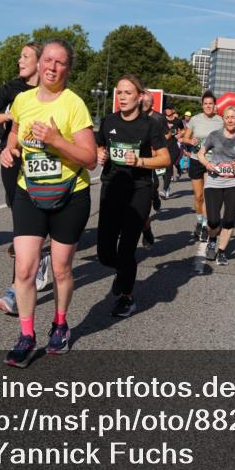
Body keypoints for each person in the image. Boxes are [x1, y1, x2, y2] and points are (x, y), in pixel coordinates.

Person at [0, 40, 97, 367]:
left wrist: (55, 140)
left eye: (60, 63)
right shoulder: (23, 99)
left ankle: (60, 323)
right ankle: (26, 335)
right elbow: (15, 131)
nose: (52, 67)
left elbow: (90, 158)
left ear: (68, 69)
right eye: (48, 60)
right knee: (24, 267)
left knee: (60, 268)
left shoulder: (74, 105)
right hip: (29, 191)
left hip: (70, 195)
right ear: (39, 63)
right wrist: (10, 148)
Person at [0, 42, 52, 314]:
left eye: (25, 56)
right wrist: (9, 114)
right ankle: (39, 257)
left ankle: (14, 288)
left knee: (24, 226)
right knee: (18, 214)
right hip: (10, 157)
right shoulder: (11, 89)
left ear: (40, 61)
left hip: (40, 161)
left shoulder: (50, 92)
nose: (19, 61)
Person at [95, 75, 170, 318]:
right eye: (119, 93)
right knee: (105, 252)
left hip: (138, 189)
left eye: (128, 93)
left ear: (139, 97)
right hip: (112, 187)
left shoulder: (150, 125)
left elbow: (165, 159)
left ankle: (127, 297)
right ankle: (124, 271)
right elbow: (99, 146)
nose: (123, 97)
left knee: (127, 249)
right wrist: (100, 154)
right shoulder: (108, 121)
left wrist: (140, 161)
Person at [197, 105, 235, 266]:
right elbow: (200, 154)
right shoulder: (214, 136)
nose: (230, 120)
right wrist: (208, 164)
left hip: (233, 182)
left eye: (233, 117)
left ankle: (221, 251)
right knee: (214, 221)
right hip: (214, 181)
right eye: (227, 117)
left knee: (229, 220)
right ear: (223, 119)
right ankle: (212, 238)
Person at [181, 92, 224, 241]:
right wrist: (190, 140)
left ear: (214, 106)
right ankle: (199, 221)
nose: (208, 106)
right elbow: (184, 137)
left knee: (207, 195)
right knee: (198, 196)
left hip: (212, 161)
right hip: (195, 159)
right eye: (205, 103)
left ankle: (206, 225)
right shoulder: (194, 119)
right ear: (202, 105)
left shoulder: (220, 121)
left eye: (210, 104)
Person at [139, 89, 167, 248]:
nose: (144, 103)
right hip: (130, 165)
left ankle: (146, 228)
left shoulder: (158, 118)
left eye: (147, 100)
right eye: (142, 99)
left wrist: (155, 151)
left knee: (144, 207)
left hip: (150, 163)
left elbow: (165, 138)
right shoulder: (131, 116)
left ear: (152, 103)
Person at [161, 104, 184, 199]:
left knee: (169, 165)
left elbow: (184, 130)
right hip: (162, 146)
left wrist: (180, 135)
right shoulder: (161, 120)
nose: (167, 110)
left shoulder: (177, 121)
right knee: (163, 169)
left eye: (169, 109)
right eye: (166, 109)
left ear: (173, 110)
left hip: (173, 147)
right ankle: (167, 186)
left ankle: (165, 189)